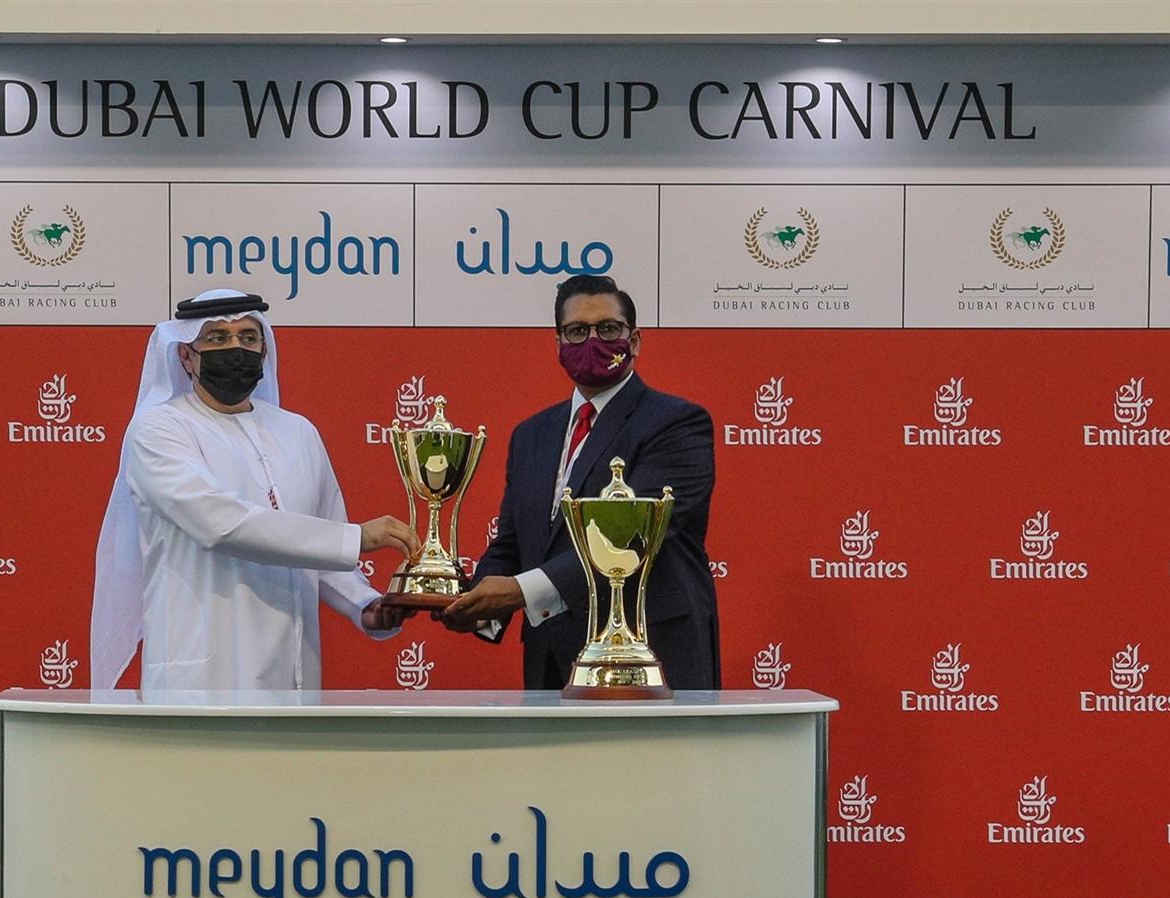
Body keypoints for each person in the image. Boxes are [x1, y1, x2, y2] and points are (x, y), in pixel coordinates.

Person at [91, 289, 418, 693]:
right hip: (201, 677)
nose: (235, 348)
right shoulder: (158, 429)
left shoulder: (298, 431)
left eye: (248, 337)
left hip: (294, 675)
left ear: (264, 351)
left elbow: (320, 546)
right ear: (186, 355)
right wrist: (357, 538)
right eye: (217, 338)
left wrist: (365, 605)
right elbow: (220, 524)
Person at [441, 274, 720, 690]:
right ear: (558, 343)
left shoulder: (677, 423)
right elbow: (514, 543)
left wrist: (520, 592)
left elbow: (633, 538)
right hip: (552, 660)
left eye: (607, 328)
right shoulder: (531, 434)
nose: (592, 341)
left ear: (634, 340)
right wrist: (474, 603)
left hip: (650, 655)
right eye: (577, 331)